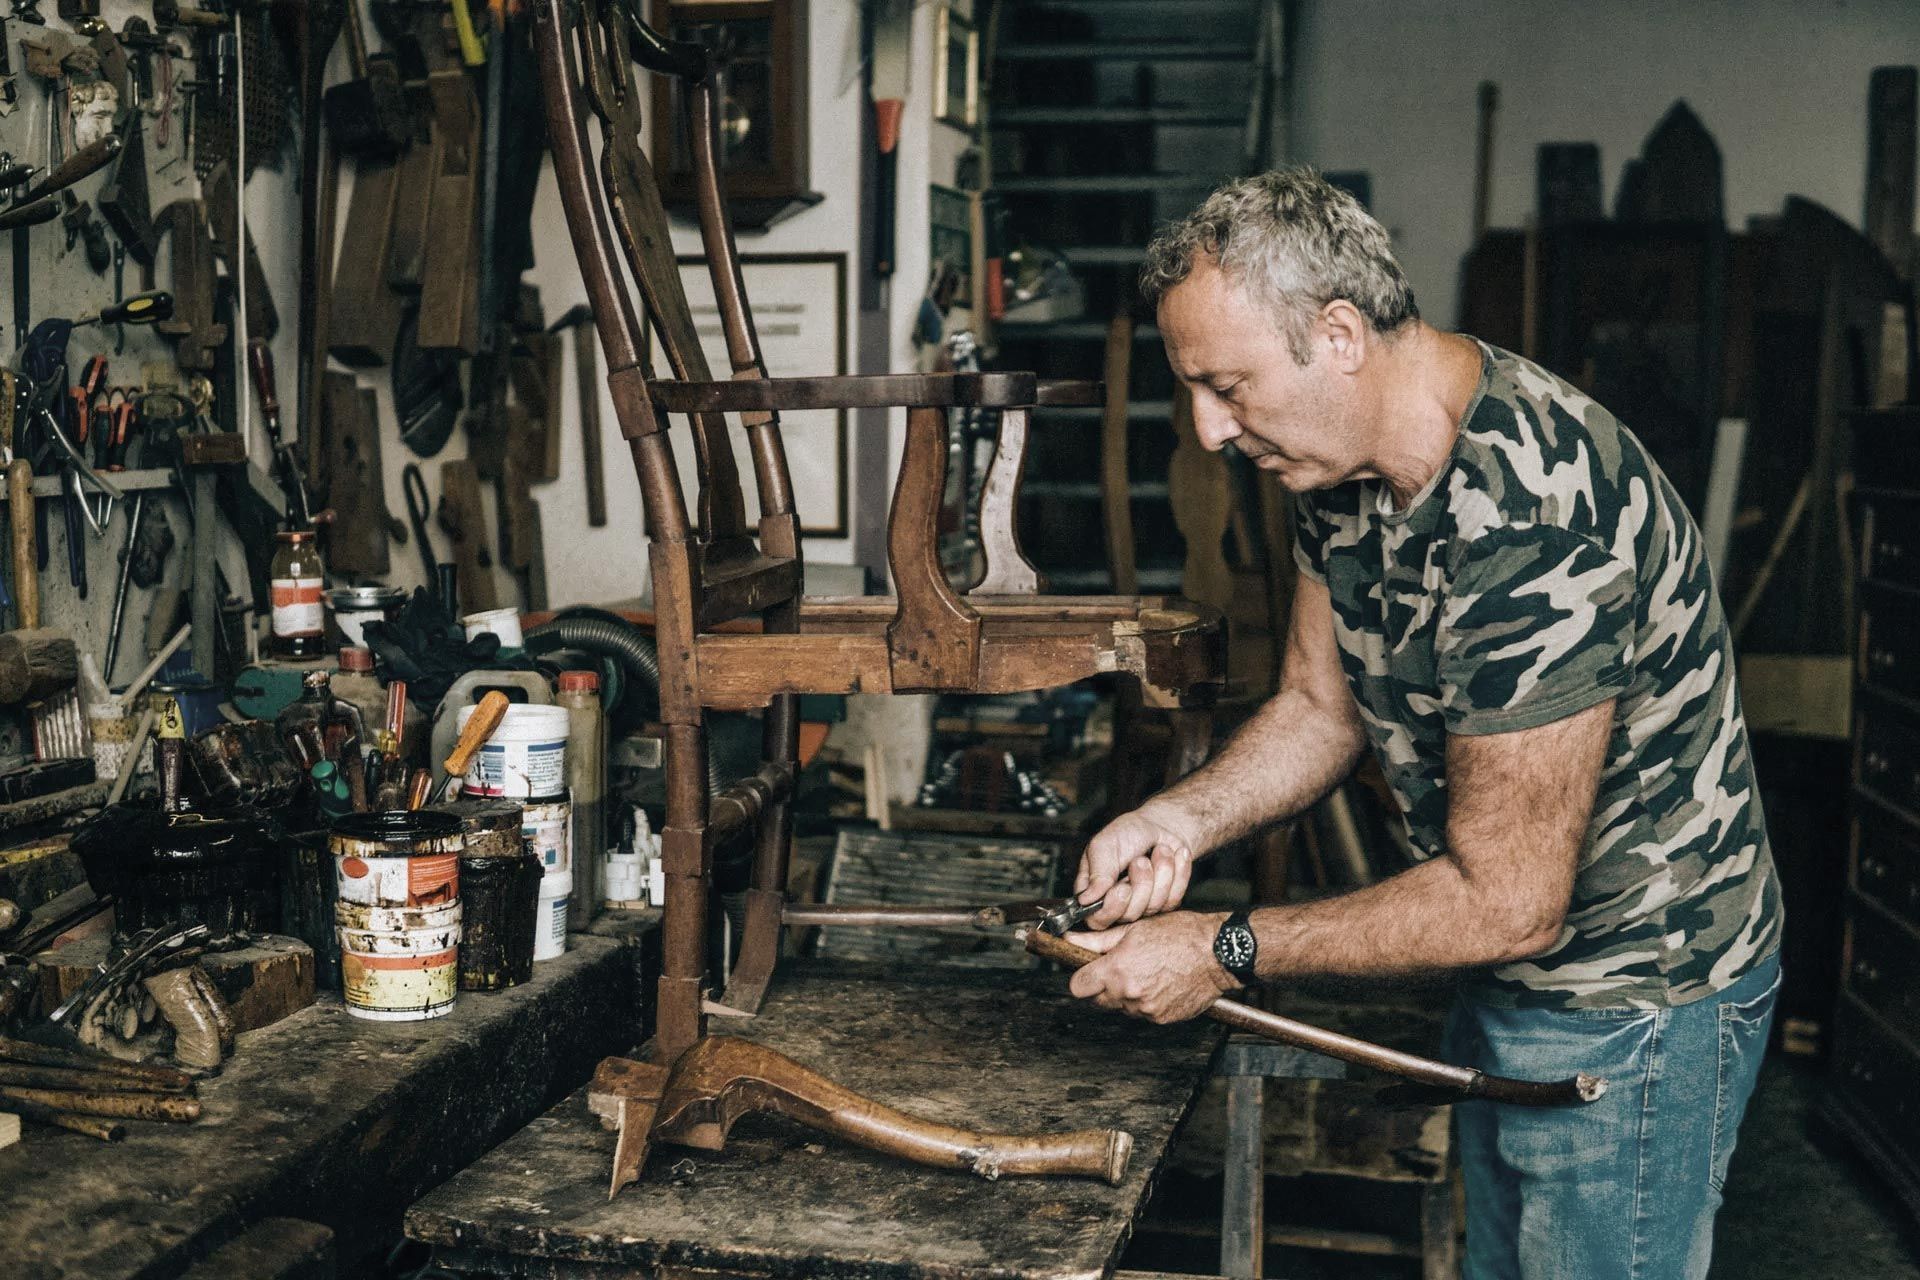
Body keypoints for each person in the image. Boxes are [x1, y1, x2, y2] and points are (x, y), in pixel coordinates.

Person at [1066, 169, 1783, 1280]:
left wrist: (1223, 946)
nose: (1209, 429)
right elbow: (1317, 704)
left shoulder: (1536, 525)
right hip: (1507, 970)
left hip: (1636, 1002)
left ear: (1340, 334)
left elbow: (1509, 900)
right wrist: (1179, 820)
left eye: (1227, 384)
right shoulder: (1338, 465)